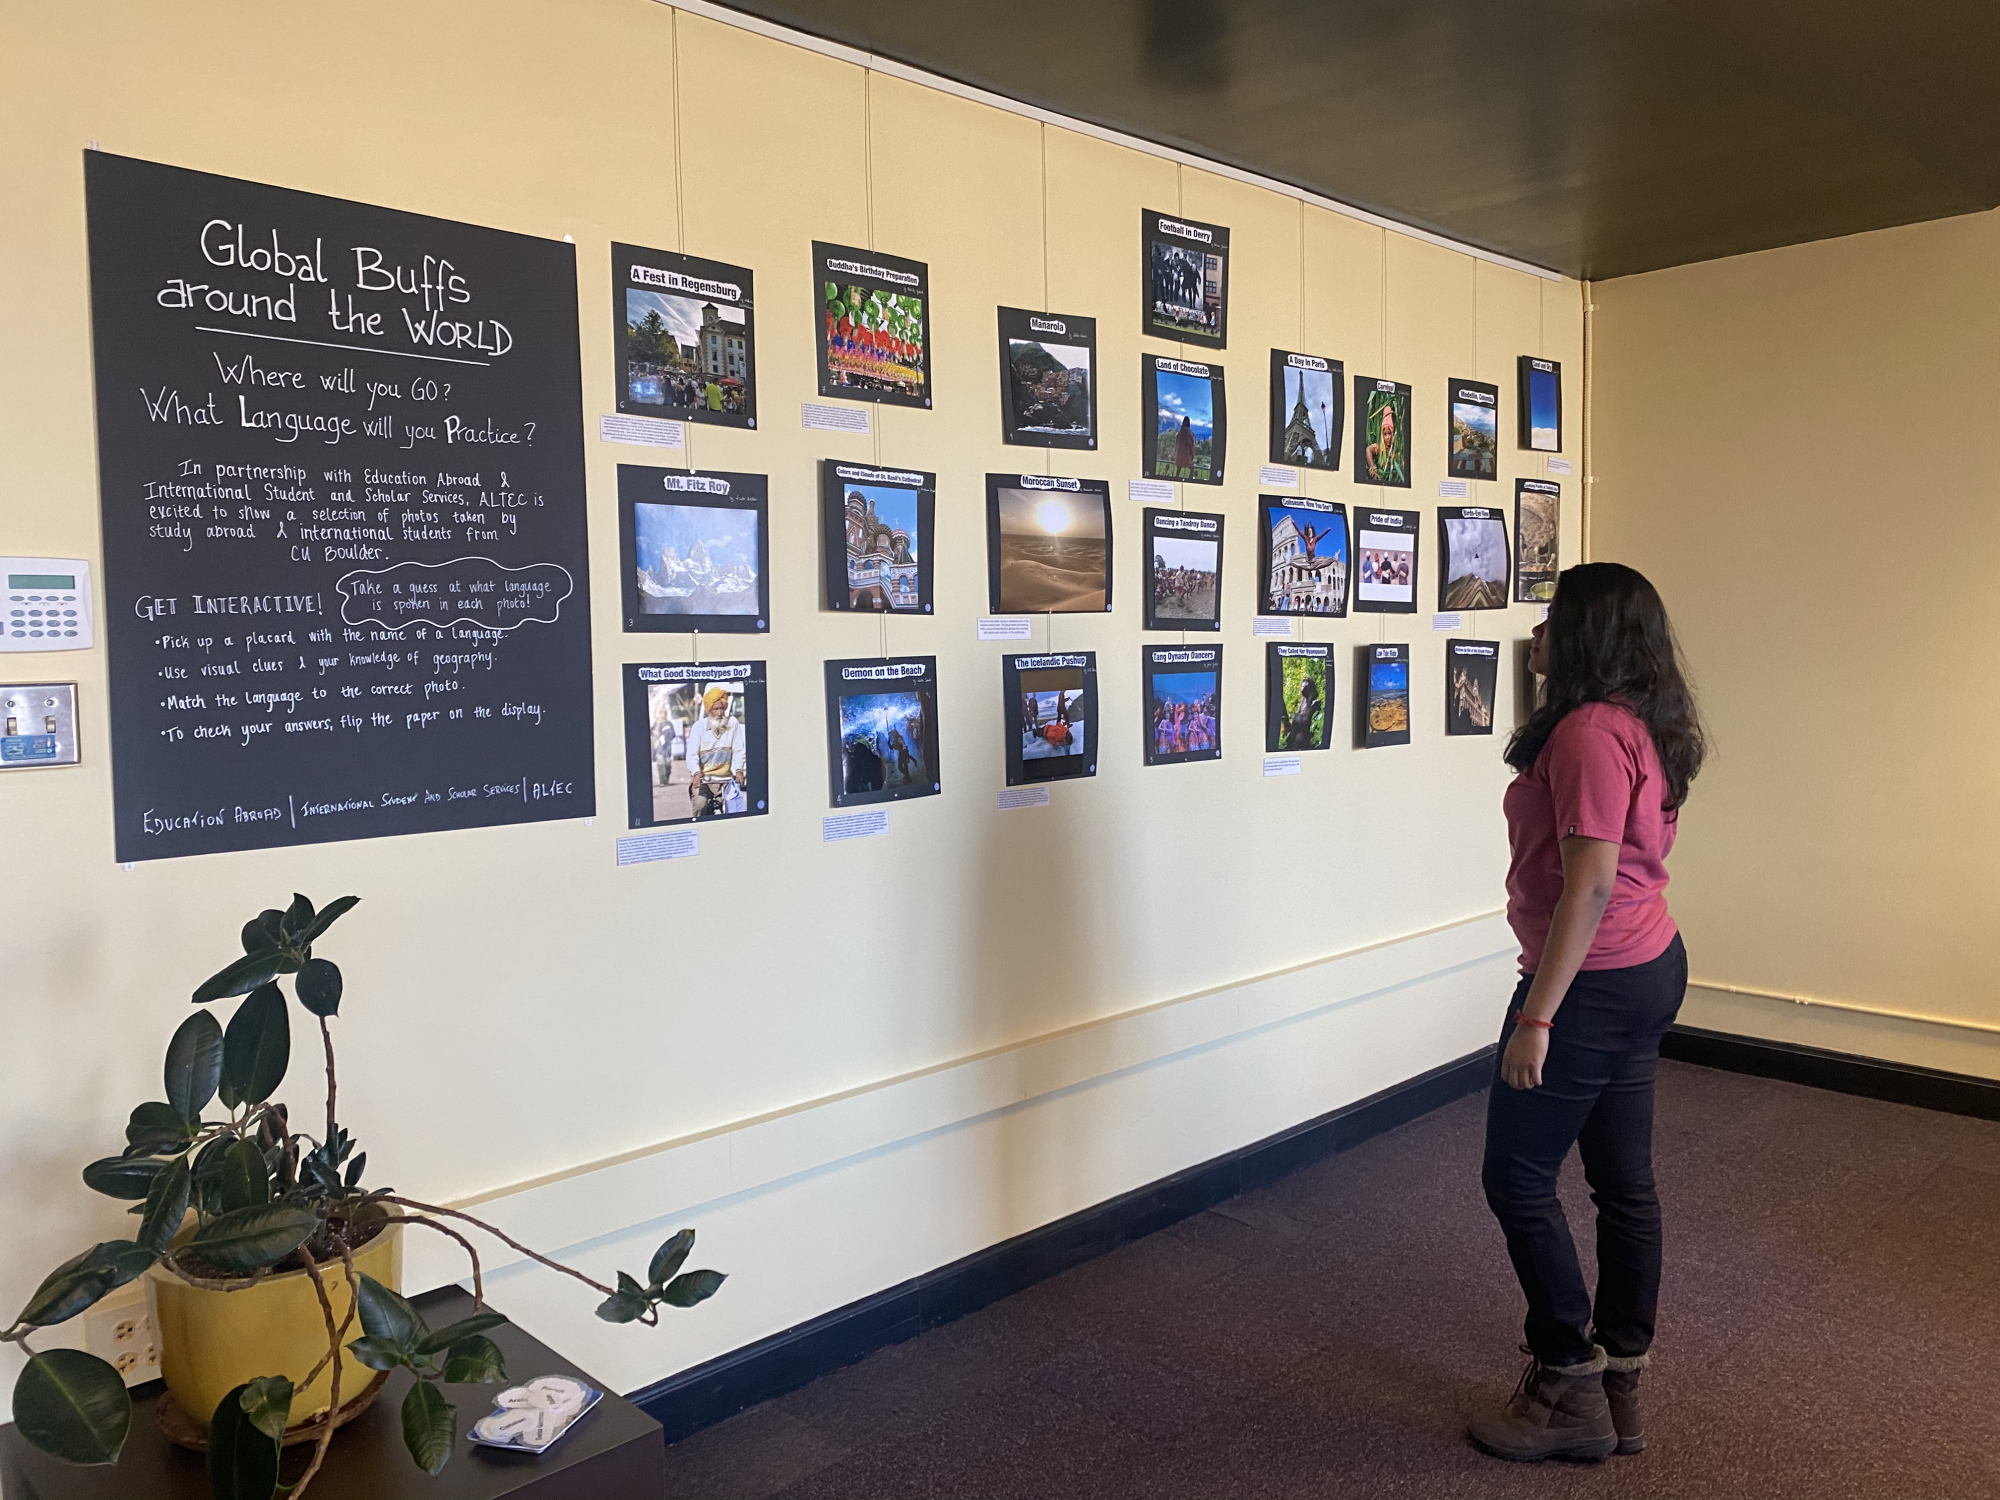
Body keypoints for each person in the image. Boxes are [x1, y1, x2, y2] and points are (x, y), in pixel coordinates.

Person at [1468, 562, 1706, 1464]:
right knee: (1621, 1181)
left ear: (1584, 637)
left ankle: (1568, 1378)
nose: (1533, 636)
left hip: (1596, 984)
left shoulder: (1585, 734)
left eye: (1549, 620)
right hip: (1649, 962)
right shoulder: (1642, 723)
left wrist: (1537, 1016)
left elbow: (1593, 882)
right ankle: (1622, 1384)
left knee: (1517, 1179)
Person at [684, 686, 746, 818]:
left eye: (722, 708)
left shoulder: (732, 723)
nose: (719, 713)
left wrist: (739, 770)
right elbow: (691, 755)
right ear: (708, 710)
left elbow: (738, 750)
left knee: (736, 811)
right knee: (701, 805)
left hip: (726, 782)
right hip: (704, 781)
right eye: (715, 709)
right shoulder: (698, 727)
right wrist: (696, 773)